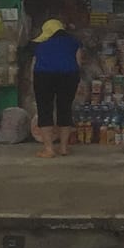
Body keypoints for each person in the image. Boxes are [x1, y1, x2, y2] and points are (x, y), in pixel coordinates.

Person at [29, 17, 85, 161]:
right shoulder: (74, 42)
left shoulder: (40, 43)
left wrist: (32, 80)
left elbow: (34, 63)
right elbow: (78, 63)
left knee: (45, 109)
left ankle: (49, 149)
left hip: (44, 76)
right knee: (65, 108)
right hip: (68, 76)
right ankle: (64, 148)